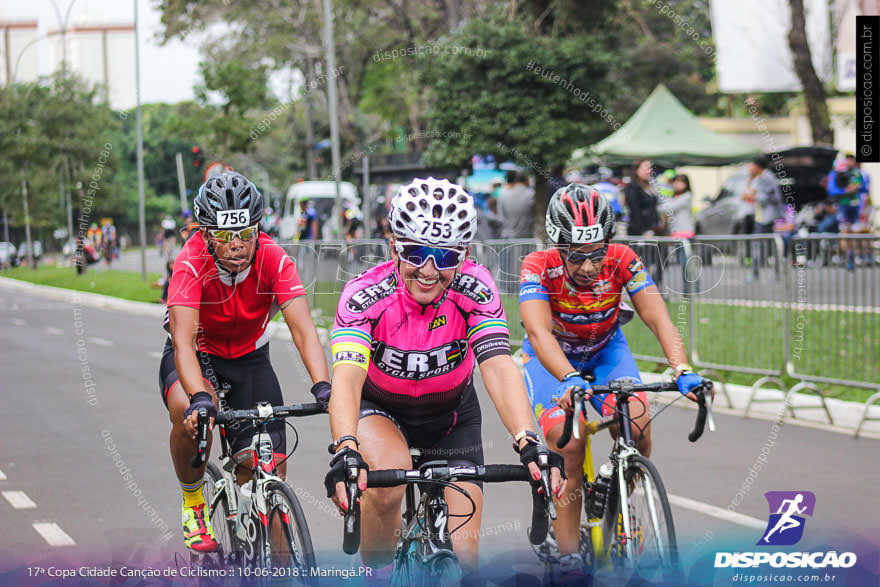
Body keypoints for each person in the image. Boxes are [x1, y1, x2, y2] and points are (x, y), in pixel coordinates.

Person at [324, 177, 565, 572]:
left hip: (452, 417)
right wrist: (346, 446)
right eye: (416, 252)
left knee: (465, 566)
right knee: (385, 491)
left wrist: (527, 440)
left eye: (446, 256)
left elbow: (499, 366)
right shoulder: (364, 292)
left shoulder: (475, 285)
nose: (429, 270)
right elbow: (347, 377)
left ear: (465, 254)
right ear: (393, 247)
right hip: (382, 410)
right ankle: (376, 577)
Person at [519, 183, 707, 572]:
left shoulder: (622, 258)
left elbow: (658, 317)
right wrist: (569, 377)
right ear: (558, 246)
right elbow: (538, 333)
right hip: (552, 356)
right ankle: (570, 558)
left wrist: (681, 367)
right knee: (567, 447)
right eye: (576, 255)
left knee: (636, 425)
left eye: (596, 252)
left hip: (606, 349)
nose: (588, 266)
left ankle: (619, 491)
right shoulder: (537, 265)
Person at [160, 171, 331, 552]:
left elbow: (303, 329)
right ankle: (193, 501)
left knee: (269, 471)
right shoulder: (190, 263)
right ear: (206, 234)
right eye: (223, 236)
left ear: (258, 228)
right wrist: (200, 399)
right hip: (198, 355)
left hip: (250, 358)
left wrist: (323, 386)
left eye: (245, 233)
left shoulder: (273, 256)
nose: (236, 245)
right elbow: (183, 344)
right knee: (190, 415)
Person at [497, 171, 536, 238]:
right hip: (528, 236)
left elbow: (501, 215)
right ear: (527, 180)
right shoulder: (531, 194)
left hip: (509, 236)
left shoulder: (504, 194)